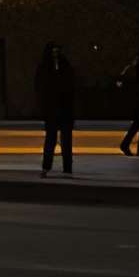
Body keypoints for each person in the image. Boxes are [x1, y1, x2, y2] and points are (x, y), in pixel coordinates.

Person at [34, 41, 79, 176]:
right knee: (51, 139)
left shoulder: (64, 66)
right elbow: (40, 89)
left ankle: (67, 167)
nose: (56, 53)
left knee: (65, 140)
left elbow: (71, 87)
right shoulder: (46, 67)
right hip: (53, 109)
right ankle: (47, 166)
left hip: (63, 108)